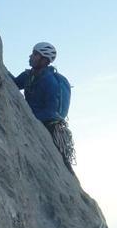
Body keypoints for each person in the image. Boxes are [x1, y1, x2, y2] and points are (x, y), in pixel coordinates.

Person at [13, 42, 76, 171]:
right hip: (34, 119)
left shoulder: (50, 81)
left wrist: (28, 116)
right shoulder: (28, 76)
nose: (31, 56)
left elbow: (51, 111)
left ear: (44, 60)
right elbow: (13, 83)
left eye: (35, 54)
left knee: (58, 167)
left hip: (50, 128)